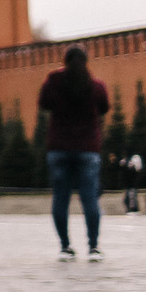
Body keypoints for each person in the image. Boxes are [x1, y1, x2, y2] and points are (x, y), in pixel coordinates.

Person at [39, 43, 109, 261]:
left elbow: (43, 104)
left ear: (65, 62)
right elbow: (105, 107)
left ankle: (65, 246)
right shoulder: (96, 86)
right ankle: (94, 247)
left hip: (59, 149)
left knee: (61, 199)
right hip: (88, 149)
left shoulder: (54, 82)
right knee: (89, 199)